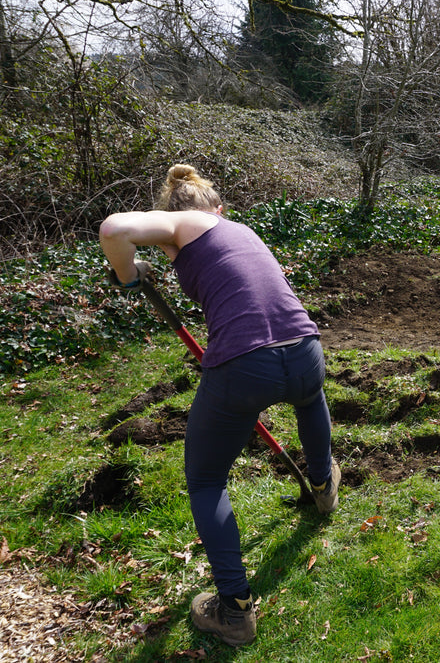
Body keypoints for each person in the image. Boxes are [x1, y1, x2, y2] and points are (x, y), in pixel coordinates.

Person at [99, 164, 341, 647]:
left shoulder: (189, 222)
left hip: (245, 369)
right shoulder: (240, 230)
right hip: (304, 348)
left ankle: (234, 610)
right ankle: (323, 482)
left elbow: (114, 229)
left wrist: (129, 274)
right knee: (309, 397)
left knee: (207, 479)